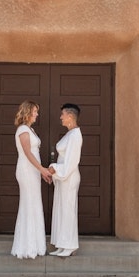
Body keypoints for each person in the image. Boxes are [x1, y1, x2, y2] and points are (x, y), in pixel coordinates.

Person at [10, 100, 52, 259]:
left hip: (33, 171)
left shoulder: (29, 129)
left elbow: (33, 154)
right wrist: (42, 169)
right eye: (35, 111)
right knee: (29, 204)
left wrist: (40, 172)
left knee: (34, 204)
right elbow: (28, 153)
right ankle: (27, 246)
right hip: (26, 171)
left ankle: (35, 244)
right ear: (28, 112)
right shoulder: (22, 129)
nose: (37, 114)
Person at [48, 103, 83, 257]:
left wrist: (54, 169)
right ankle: (62, 244)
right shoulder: (69, 134)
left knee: (68, 210)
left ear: (70, 116)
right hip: (62, 177)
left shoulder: (75, 135)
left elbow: (71, 162)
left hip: (68, 176)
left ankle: (70, 245)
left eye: (63, 114)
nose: (60, 117)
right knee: (61, 210)